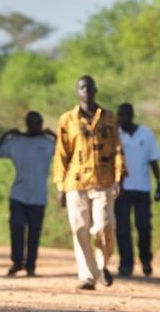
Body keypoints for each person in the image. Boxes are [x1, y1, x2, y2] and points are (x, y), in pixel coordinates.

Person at [53, 75, 125, 290]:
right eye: (82, 87)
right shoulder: (67, 119)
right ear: (77, 91)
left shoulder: (109, 117)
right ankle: (87, 276)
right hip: (75, 182)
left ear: (95, 90)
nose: (86, 90)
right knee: (79, 229)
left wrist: (119, 177)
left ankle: (102, 265)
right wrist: (60, 185)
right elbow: (61, 153)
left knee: (105, 226)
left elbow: (117, 149)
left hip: (104, 180)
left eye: (89, 87)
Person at [0, 111, 56, 277]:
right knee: (17, 229)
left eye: (38, 123)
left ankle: (31, 265)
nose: (35, 125)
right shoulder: (16, 141)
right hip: (18, 195)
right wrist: (7, 133)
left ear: (41, 124)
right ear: (27, 123)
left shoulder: (48, 143)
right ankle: (17, 262)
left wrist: (53, 134)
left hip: (39, 196)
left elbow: (68, 152)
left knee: (35, 232)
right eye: (32, 122)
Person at [115, 102, 160, 278]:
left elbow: (154, 161)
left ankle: (145, 259)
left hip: (142, 188)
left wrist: (159, 184)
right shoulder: (114, 135)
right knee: (122, 229)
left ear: (132, 115)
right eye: (119, 115)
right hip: (121, 189)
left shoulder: (146, 134)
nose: (122, 119)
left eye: (125, 115)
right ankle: (126, 264)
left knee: (144, 227)